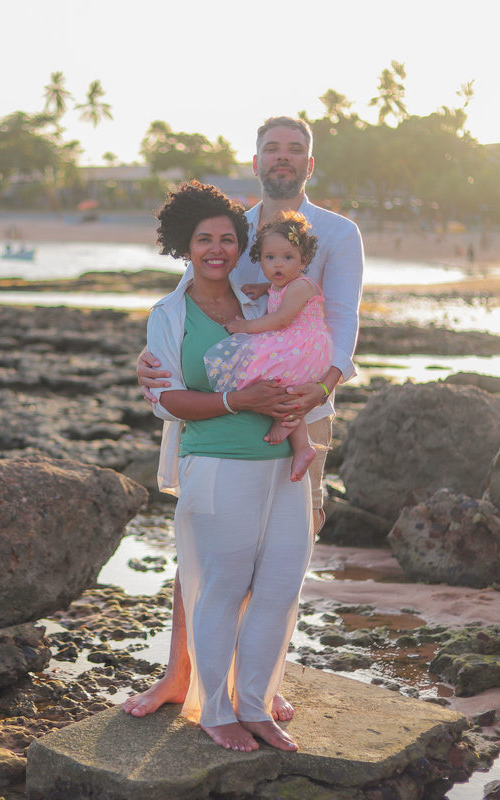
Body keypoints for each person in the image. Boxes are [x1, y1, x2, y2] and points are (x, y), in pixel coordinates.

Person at [127, 116, 363, 722]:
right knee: (207, 549)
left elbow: (344, 319)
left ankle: (258, 679)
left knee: (281, 551)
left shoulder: (338, 233)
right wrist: (150, 361)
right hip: (220, 406)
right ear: (256, 161)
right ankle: (178, 674)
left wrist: (319, 390)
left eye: (295, 150)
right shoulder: (231, 226)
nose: (283, 157)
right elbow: (187, 304)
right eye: (272, 149)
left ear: (310, 163)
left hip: (303, 407)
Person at [139, 181, 313, 752]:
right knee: (220, 588)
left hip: (284, 468)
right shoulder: (170, 314)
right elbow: (166, 399)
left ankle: (255, 705)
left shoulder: (263, 301)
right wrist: (240, 401)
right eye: (204, 239)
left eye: (228, 239)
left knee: (280, 588)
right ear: (185, 246)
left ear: (241, 247)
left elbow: (307, 347)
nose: (217, 249)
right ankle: (215, 710)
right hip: (217, 466)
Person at [204, 211, 331, 483]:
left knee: (270, 377)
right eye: (270, 258)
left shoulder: (301, 286)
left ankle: (294, 436)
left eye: (288, 257)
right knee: (280, 387)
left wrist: (246, 326)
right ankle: (301, 444)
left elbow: (281, 319)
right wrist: (265, 287)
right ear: (259, 260)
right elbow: (280, 291)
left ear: (304, 261)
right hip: (296, 344)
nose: (278, 264)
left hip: (302, 346)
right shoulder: (282, 285)